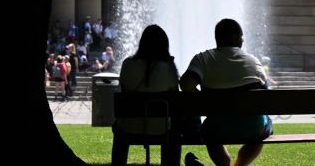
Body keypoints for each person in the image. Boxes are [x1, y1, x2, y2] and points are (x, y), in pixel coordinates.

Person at [180, 18, 273, 166]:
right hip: (253, 128)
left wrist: (202, 98)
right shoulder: (253, 61)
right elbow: (266, 94)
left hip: (216, 128)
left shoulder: (203, 59)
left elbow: (186, 85)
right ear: (235, 37)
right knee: (264, 126)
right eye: (242, 36)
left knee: (209, 130)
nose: (243, 40)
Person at [112, 25, 182, 166]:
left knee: (118, 129)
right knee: (174, 134)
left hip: (130, 127)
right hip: (160, 128)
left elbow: (125, 91)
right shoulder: (169, 67)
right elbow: (175, 97)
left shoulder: (127, 64)